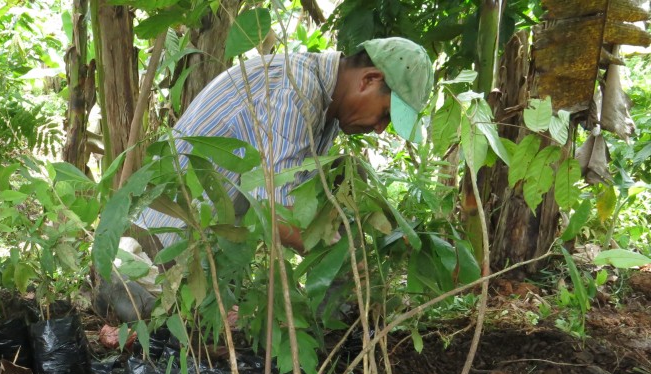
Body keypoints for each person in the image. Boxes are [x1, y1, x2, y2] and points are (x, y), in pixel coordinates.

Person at [98, 37, 434, 322]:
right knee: (162, 325)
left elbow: (296, 201)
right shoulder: (293, 91)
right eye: (385, 114)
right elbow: (275, 212)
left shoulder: (327, 110)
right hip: (155, 253)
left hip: (202, 255)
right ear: (368, 80)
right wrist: (347, 261)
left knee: (346, 175)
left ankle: (342, 318)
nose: (379, 128)